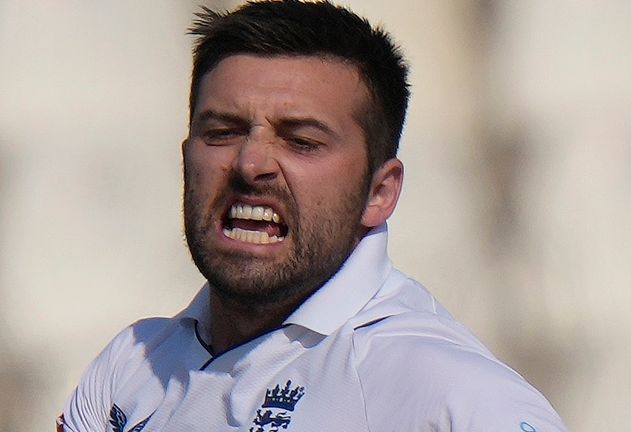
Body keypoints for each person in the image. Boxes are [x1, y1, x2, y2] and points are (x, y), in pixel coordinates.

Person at [58, 1, 567, 431]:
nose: (250, 165)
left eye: (302, 141)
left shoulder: (449, 395)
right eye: (222, 132)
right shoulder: (130, 366)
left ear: (380, 192)